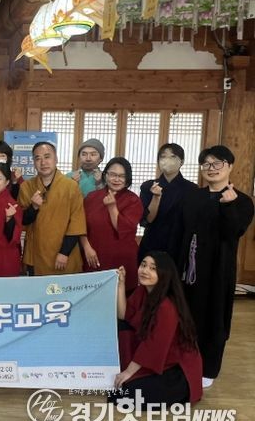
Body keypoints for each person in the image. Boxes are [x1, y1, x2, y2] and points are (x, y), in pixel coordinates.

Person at [179, 145, 254, 388]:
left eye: (217, 163)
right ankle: (185, 361)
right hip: (190, 269)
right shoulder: (194, 197)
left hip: (219, 270)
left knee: (215, 318)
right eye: (206, 164)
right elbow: (182, 231)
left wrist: (228, 206)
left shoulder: (242, 201)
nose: (211, 168)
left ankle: (209, 368)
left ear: (229, 166)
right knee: (187, 315)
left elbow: (234, 232)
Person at [112, 252, 203, 407]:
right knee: (122, 326)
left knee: (123, 395)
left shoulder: (166, 307)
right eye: (143, 265)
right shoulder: (143, 291)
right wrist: (121, 284)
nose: (145, 270)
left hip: (175, 368)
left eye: (153, 268)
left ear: (164, 274)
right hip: (155, 358)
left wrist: (128, 372)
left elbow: (154, 346)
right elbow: (123, 315)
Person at [18, 142, 86, 275]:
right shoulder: (26, 187)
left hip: (64, 254)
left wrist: (64, 253)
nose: (43, 162)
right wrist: (33, 207)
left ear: (56, 159)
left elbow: (77, 223)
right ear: (34, 162)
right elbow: (22, 220)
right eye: (38, 158)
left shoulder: (71, 187)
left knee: (63, 288)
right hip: (36, 253)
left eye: (47, 157)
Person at [80, 157, 143, 293]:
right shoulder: (92, 197)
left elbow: (124, 229)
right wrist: (86, 247)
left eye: (121, 176)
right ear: (105, 175)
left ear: (127, 179)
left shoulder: (133, 200)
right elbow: (80, 226)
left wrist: (112, 207)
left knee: (121, 299)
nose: (116, 179)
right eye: (113, 174)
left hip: (121, 260)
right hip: (94, 257)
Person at [138, 143, 197, 265]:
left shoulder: (192, 189)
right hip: (152, 243)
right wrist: (156, 197)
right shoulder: (148, 186)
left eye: (172, 156)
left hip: (178, 245)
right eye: (163, 157)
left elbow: (192, 223)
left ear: (181, 162)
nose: (167, 160)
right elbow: (148, 219)